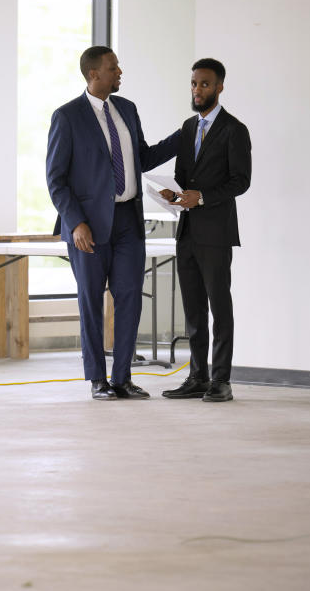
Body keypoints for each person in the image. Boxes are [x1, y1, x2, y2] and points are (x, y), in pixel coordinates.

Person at [47, 46, 180, 400]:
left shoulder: (127, 110)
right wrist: (75, 223)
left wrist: (184, 135)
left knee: (130, 299)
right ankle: (97, 380)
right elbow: (56, 180)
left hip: (128, 223)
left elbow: (145, 156)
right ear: (94, 74)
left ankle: (122, 377)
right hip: (88, 227)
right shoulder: (67, 117)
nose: (119, 72)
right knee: (91, 301)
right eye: (113, 68)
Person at [160, 58, 251, 402]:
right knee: (194, 309)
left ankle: (221, 381)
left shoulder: (234, 130)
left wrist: (202, 198)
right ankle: (196, 376)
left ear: (219, 87)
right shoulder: (187, 127)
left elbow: (241, 181)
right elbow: (185, 176)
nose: (198, 90)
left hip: (216, 233)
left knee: (219, 307)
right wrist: (174, 192)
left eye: (205, 84)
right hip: (187, 233)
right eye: (195, 83)